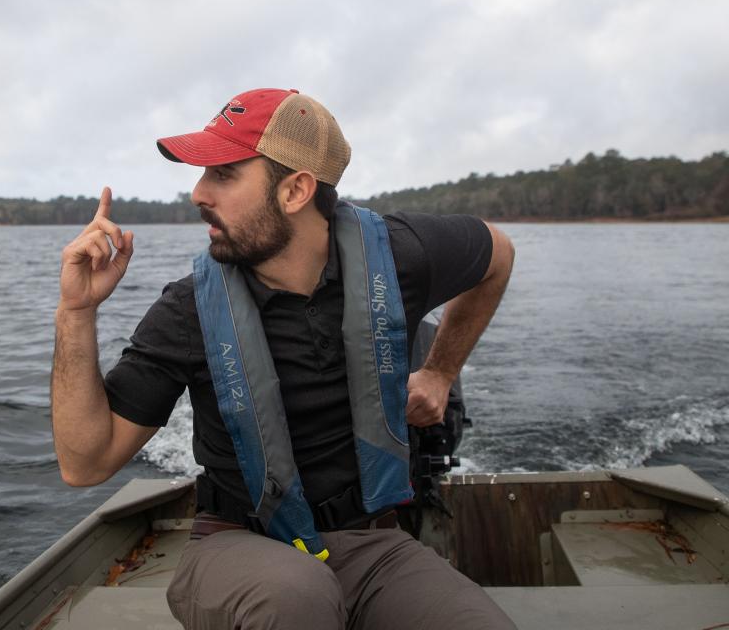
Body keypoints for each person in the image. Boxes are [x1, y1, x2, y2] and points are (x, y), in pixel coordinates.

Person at [51, 88, 516, 629]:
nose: (198, 192)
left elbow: (497, 255)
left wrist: (439, 372)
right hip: (235, 547)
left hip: (371, 546)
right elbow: (86, 463)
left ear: (296, 190)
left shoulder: (400, 254)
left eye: (223, 174)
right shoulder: (189, 310)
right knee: (295, 598)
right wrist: (76, 311)